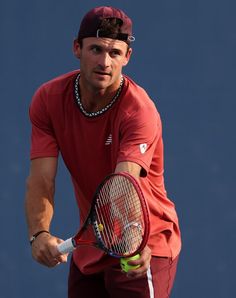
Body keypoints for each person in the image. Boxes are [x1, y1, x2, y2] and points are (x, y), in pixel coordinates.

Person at [25, 6, 181, 298]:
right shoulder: (48, 99)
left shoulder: (139, 111)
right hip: (93, 245)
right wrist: (39, 233)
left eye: (115, 53)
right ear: (77, 48)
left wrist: (133, 239)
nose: (105, 62)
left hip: (144, 245)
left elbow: (123, 184)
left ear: (127, 57)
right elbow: (41, 180)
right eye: (96, 49)